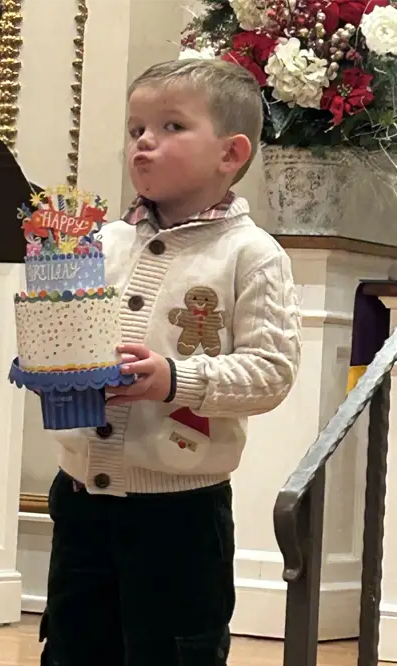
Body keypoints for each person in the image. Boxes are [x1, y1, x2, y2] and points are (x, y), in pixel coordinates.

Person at [40, 58, 301, 666]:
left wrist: (174, 379)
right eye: (136, 129)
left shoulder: (251, 255)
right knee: (73, 649)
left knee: (175, 652)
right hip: (79, 499)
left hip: (180, 513)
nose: (145, 142)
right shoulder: (101, 242)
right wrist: (53, 358)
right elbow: (64, 338)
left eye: (171, 127)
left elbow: (270, 372)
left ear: (231, 153)